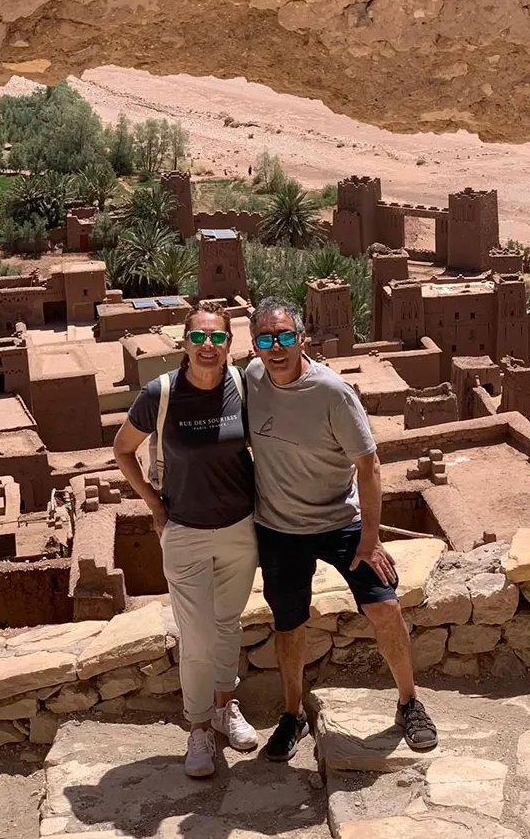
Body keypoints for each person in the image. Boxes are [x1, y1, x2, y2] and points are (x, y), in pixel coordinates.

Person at [246, 296, 438, 763]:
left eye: (286, 336)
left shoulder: (333, 392)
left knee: (385, 609)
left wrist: (370, 537)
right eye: (267, 339)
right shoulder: (251, 380)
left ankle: (409, 701)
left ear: (302, 338)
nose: (277, 347)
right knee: (289, 626)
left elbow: (369, 465)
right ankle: (292, 715)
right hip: (279, 527)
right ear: (253, 346)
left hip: (340, 521)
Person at [113, 302, 259, 779]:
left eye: (217, 338)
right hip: (186, 533)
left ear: (229, 344)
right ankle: (197, 728)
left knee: (227, 624)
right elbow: (122, 449)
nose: (208, 346)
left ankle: (224, 706)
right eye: (198, 338)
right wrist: (156, 507)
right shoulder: (161, 393)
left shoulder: (243, 386)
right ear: (185, 343)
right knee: (196, 638)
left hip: (239, 529)